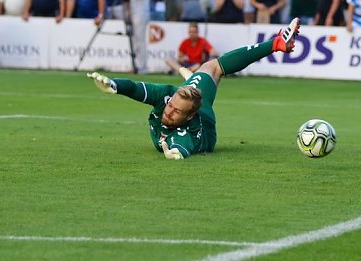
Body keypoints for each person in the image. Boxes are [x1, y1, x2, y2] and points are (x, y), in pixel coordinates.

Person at [86, 19, 300, 160]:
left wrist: (175, 152)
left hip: (204, 122)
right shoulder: (169, 97)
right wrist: (114, 84)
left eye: (176, 112)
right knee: (212, 67)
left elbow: (181, 147)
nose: (169, 111)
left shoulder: (189, 132)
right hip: (190, 96)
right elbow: (134, 88)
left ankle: (275, 43)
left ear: (188, 117)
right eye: (171, 106)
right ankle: (275, 43)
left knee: (212, 71)